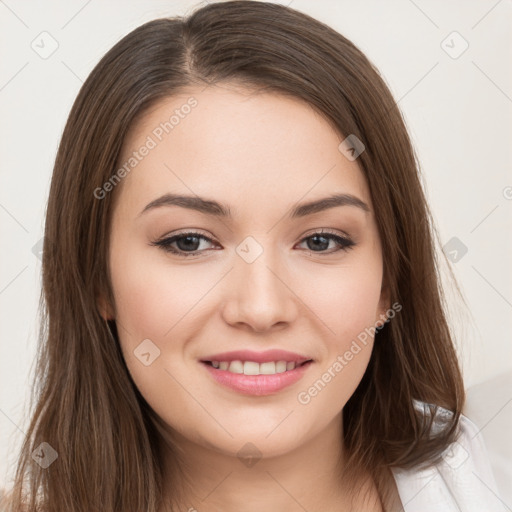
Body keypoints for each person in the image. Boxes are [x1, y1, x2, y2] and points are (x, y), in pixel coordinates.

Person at [1, 1, 503, 511]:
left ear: (389, 282)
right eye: (189, 241)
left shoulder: (481, 476)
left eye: (321, 240)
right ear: (97, 278)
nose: (262, 308)